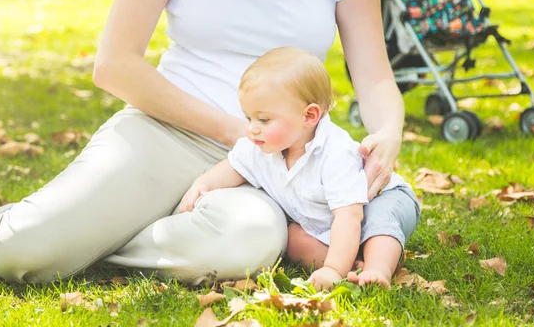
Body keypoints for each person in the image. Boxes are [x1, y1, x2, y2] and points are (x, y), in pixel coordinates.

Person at [0, 0, 420, 285]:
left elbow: (375, 74)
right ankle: (1, 230)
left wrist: (388, 132)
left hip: (276, 160)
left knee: (250, 242)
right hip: (165, 133)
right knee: (20, 250)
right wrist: (233, 132)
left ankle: (94, 234)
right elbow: (114, 65)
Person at [178, 47, 417, 290]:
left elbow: (349, 217)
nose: (252, 128)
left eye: (263, 119)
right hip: (327, 222)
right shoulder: (261, 147)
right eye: (248, 118)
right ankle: (354, 265)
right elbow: (234, 167)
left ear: (309, 116)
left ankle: (376, 269)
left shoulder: (335, 153)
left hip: (379, 198)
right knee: (293, 239)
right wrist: (203, 185)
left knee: (379, 224)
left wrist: (333, 270)